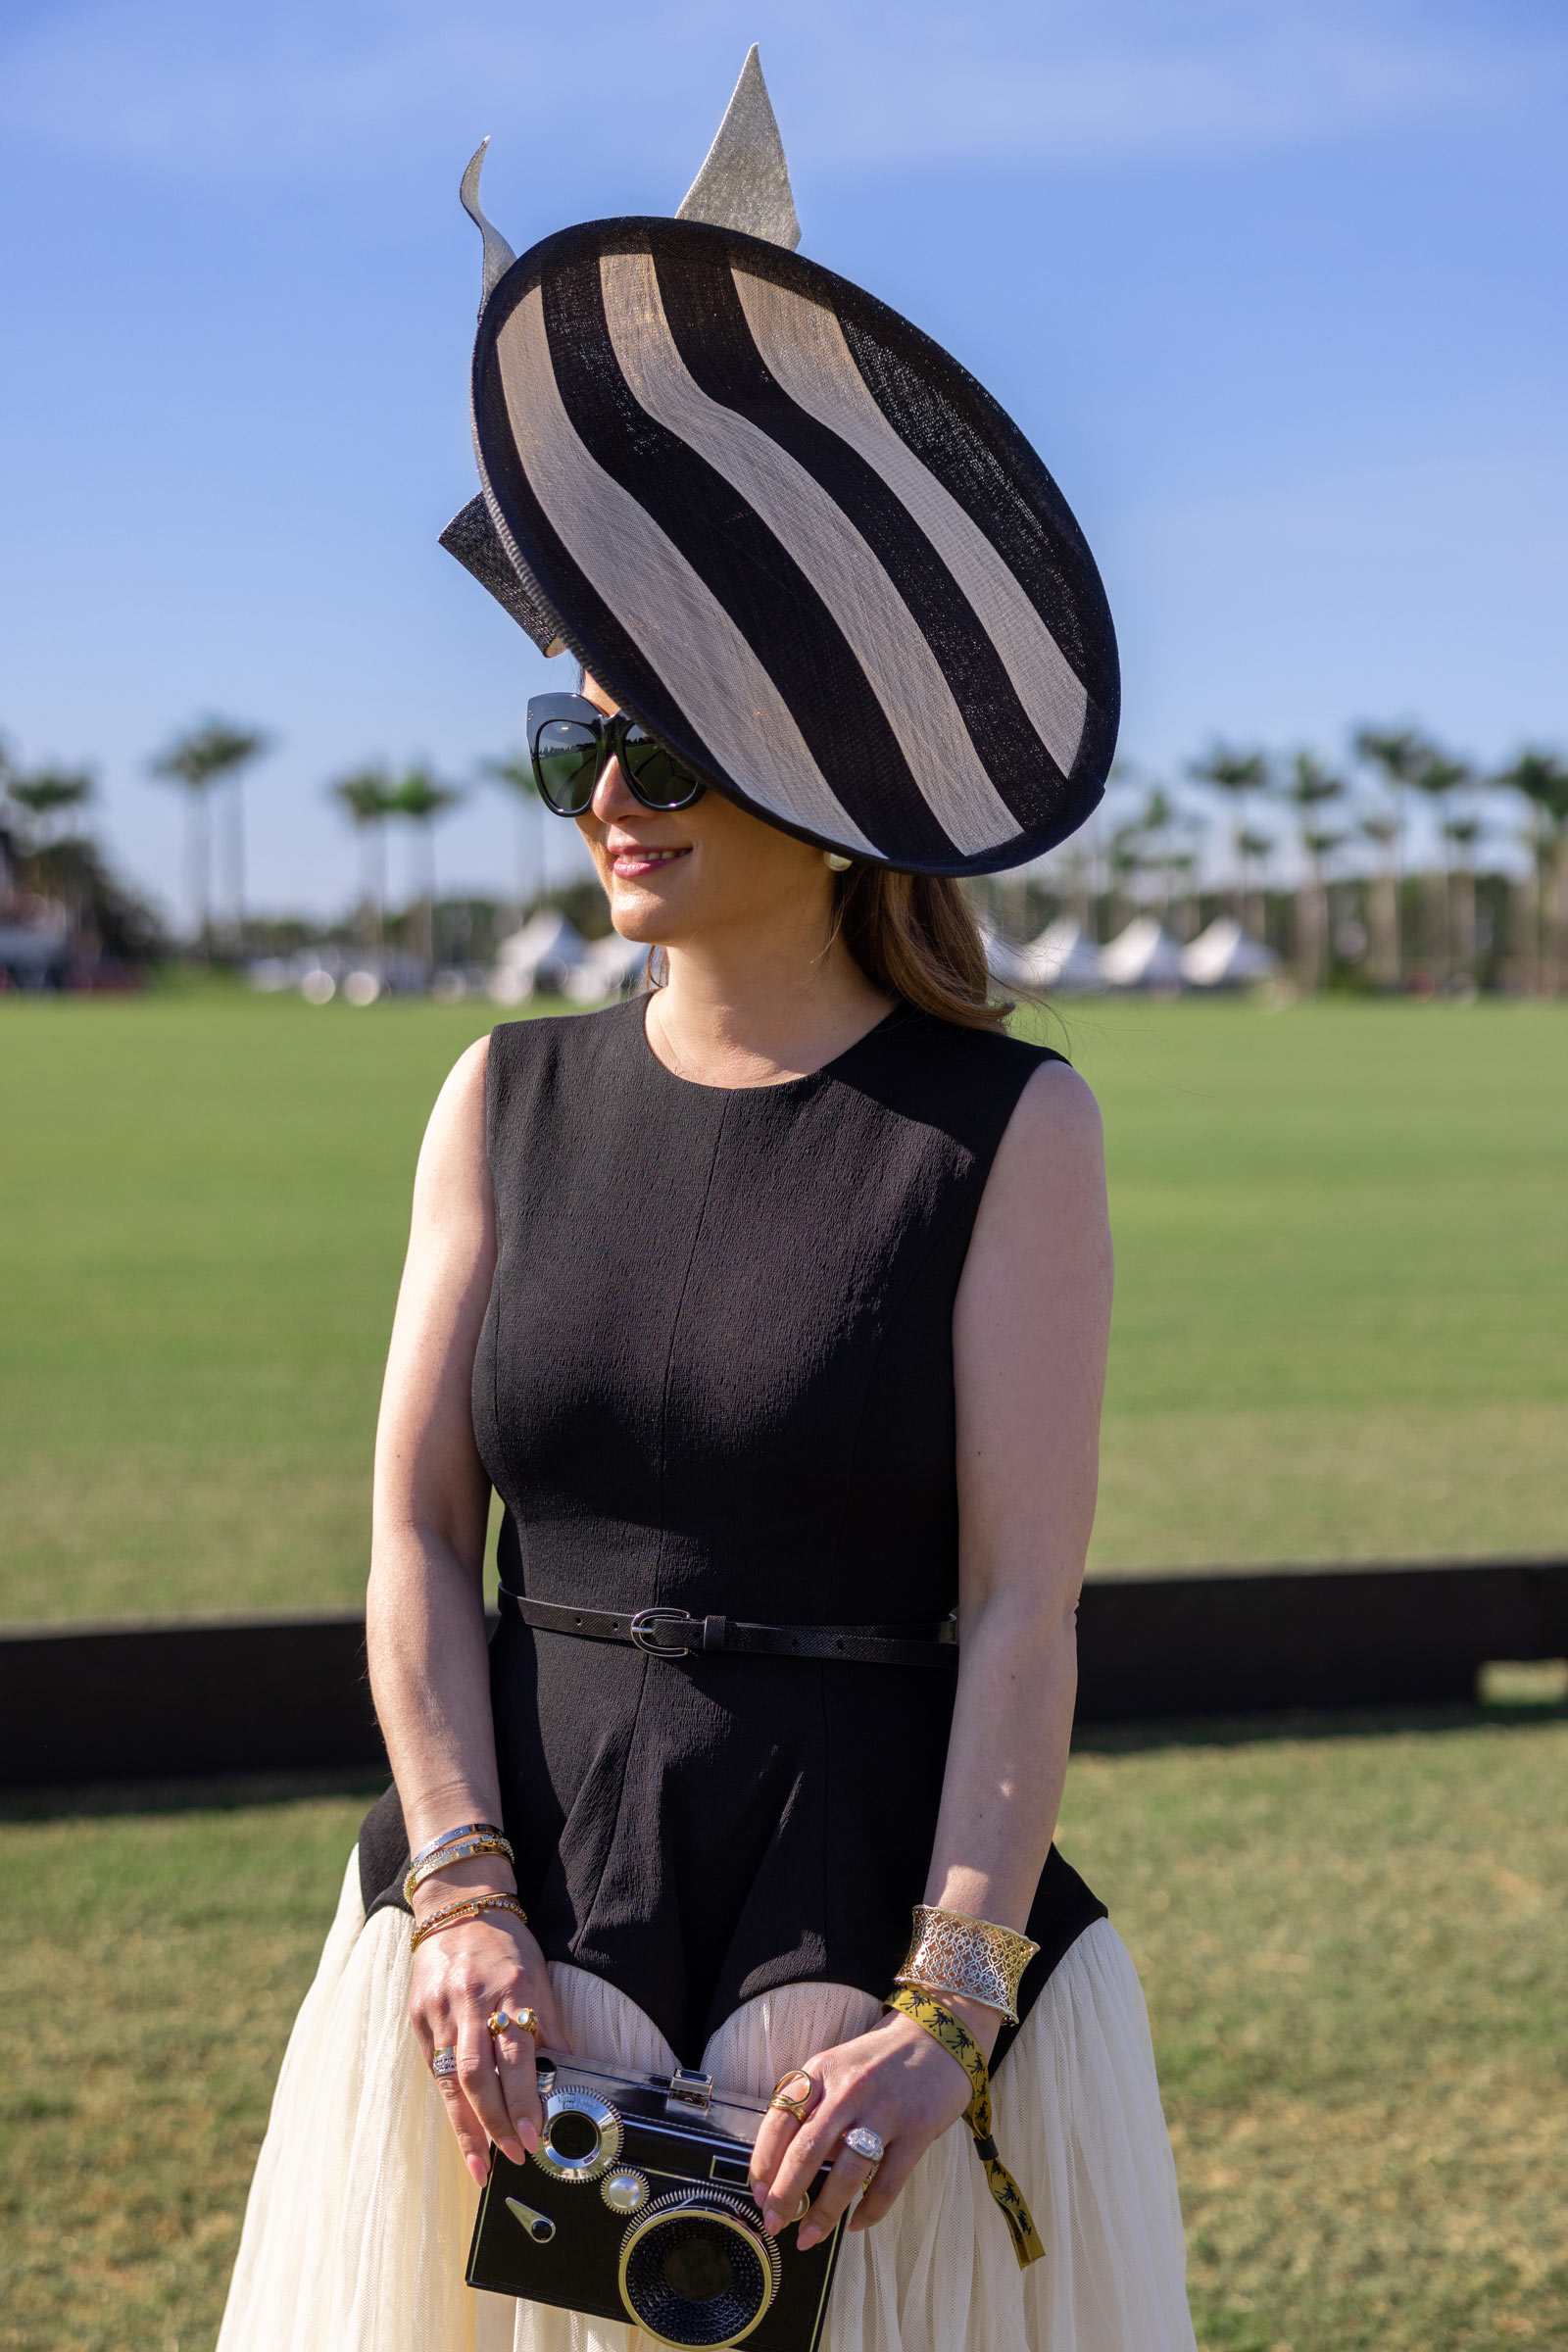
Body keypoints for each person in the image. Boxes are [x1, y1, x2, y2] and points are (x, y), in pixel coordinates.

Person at [217, 49, 1196, 2352]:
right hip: (501, 1983)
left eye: (655, 749)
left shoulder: (1002, 1129)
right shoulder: (492, 1097)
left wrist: (944, 2011)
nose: (605, 801)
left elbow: (1021, 1612)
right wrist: (455, 1896)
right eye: (574, 744)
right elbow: (406, 1545)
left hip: (840, 2010)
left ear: (826, 782)